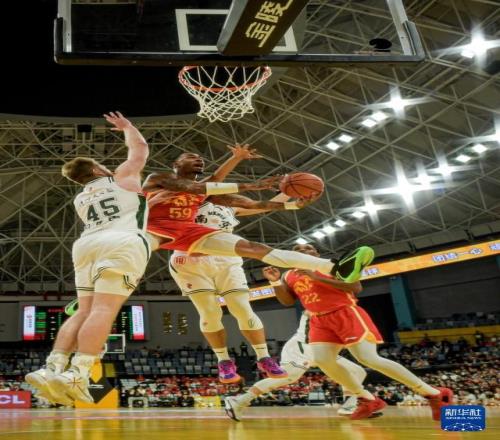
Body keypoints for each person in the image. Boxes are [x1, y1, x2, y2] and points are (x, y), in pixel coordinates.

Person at [25, 112, 150, 405]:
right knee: (104, 309)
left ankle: (52, 367)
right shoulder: (121, 179)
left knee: (84, 310)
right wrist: (128, 127)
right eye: (101, 165)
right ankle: (78, 374)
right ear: (95, 169)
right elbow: (140, 150)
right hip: (121, 241)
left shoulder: (80, 198)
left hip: (86, 245)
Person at [262, 243, 454, 420]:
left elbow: (355, 287)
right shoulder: (288, 275)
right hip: (318, 319)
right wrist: (275, 282)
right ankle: (367, 399)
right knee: (322, 360)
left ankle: (434, 394)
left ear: (317, 253)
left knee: (368, 358)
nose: (303, 250)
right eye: (297, 249)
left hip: (345, 312)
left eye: (308, 248)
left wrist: (316, 277)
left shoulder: (331, 266)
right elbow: (287, 301)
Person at [143, 152, 374, 289]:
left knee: (255, 248)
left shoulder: (209, 193)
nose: (199, 160)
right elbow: (194, 187)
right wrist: (251, 184)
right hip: (152, 227)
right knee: (132, 256)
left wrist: (293, 205)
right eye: (191, 157)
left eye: (201, 158)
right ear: (176, 164)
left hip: (189, 231)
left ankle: (335, 268)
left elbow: (252, 205)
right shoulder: (160, 178)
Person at [165, 189, 315, 383]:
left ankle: (264, 357)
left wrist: (288, 191)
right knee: (210, 312)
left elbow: (265, 205)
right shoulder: (182, 204)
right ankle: (224, 361)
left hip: (225, 258)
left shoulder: (229, 206)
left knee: (242, 309)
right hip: (189, 262)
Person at [224, 312, 370, 421]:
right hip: (302, 348)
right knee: (288, 377)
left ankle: (349, 405)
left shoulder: (341, 311)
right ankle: (239, 401)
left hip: (321, 349)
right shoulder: (317, 307)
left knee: (357, 371)